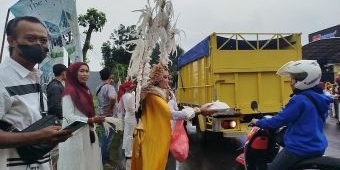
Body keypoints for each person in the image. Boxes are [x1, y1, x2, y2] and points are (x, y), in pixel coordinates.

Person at [0, 16, 72, 170]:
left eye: (43, 40)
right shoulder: (2, 79)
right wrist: (38, 136)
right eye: (31, 39)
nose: (39, 44)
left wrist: (51, 137)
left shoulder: (35, 77)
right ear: (12, 41)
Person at [250, 60, 333, 170]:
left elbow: (278, 121)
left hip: (300, 147)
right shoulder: (320, 97)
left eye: (293, 78)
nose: (291, 82)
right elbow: (308, 118)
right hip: (317, 145)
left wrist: (258, 122)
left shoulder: (299, 100)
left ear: (305, 79)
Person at [131, 63, 211, 170]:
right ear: (157, 78)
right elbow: (171, 114)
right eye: (164, 77)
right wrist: (199, 110)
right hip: (152, 138)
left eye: (168, 77)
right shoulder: (153, 96)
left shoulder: (162, 94)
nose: (167, 80)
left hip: (162, 137)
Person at [57, 62, 105, 170]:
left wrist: (92, 120)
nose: (85, 74)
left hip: (88, 133)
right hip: (74, 135)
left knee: (89, 163)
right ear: (73, 73)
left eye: (87, 71)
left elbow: (87, 111)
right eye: (81, 71)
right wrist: (90, 119)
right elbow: (68, 117)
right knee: (77, 164)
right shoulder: (69, 92)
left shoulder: (85, 90)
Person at [96, 67, 117, 166]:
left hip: (101, 115)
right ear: (110, 76)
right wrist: (110, 109)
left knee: (104, 138)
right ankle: (103, 161)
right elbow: (112, 98)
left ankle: (104, 158)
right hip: (109, 116)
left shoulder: (99, 87)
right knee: (106, 139)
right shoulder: (109, 87)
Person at [117, 81, 136, 170]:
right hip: (131, 117)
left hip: (127, 117)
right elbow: (132, 109)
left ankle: (127, 151)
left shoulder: (123, 96)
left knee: (127, 134)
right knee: (131, 135)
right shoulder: (131, 96)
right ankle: (129, 152)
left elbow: (121, 109)